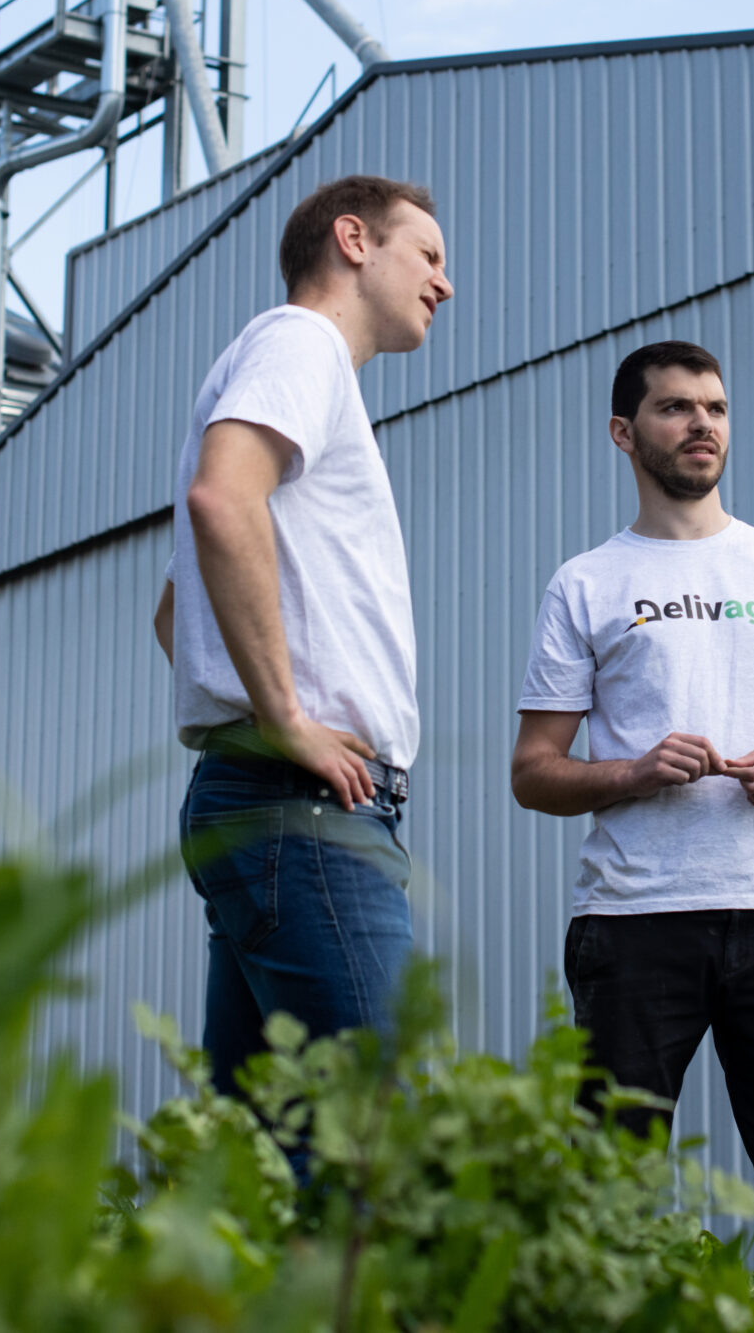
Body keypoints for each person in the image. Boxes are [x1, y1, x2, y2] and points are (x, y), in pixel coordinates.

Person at [510, 339, 754, 1254]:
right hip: (635, 922)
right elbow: (532, 770)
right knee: (611, 1196)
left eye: (714, 407)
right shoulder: (587, 582)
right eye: (676, 408)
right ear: (623, 432)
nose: (702, 424)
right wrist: (636, 770)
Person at [153, 173, 453, 1095]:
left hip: (271, 804)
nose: (445, 284)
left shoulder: (284, 365)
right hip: (305, 811)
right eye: (430, 256)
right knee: (380, 1142)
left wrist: (254, 714)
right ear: (354, 240)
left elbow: (177, 614)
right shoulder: (301, 343)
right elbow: (221, 498)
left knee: (268, 1161)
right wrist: (284, 716)